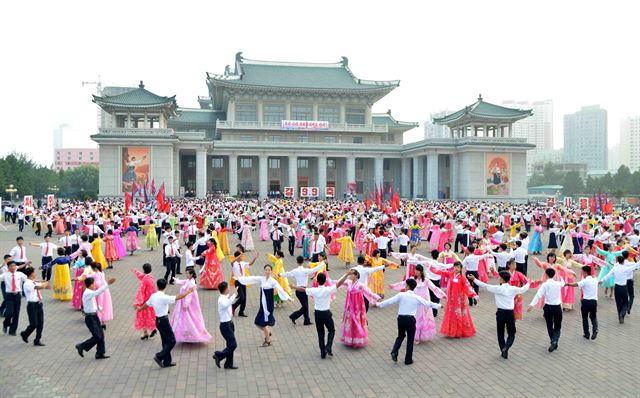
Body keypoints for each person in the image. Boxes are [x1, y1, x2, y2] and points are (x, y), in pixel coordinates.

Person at [372, 278, 441, 365]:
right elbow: (428, 303)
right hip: (410, 320)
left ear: (408, 286)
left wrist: (378, 304)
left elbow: (389, 302)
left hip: (400, 318)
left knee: (400, 336)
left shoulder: (401, 295)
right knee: (410, 339)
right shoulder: (417, 297)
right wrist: (439, 306)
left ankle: (394, 351)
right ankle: (408, 360)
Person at [468, 272, 529, 359]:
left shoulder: (497, 288)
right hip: (510, 313)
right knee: (511, 333)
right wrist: (529, 283)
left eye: (499, 277)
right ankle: (506, 347)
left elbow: (484, 285)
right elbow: (524, 289)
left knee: (500, 333)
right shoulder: (513, 289)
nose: (498, 278)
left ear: (502, 279)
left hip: (500, 313)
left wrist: (474, 279)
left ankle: (503, 350)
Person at [136, 278, 195, 368]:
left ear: (157, 286)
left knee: (165, 341)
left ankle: (167, 361)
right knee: (172, 341)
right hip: (164, 321)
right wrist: (189, 291)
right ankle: (159, 356)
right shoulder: (164, 297)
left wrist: (140, 309)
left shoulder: (153, 296)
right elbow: (178, 297)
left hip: (158, 321)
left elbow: (146, 304)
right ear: (165, 286)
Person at [236, 265, 292, 347]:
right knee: (257, 322)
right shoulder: (261, 279)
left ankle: (268, 341)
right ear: (264, 271)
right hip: (262, 304)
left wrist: (288, 298)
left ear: (271, 271)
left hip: (268, 306)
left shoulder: (273, 281)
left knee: (263, 323)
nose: (267, 271)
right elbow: (252, 278)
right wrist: (239, 279)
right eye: (266, 270)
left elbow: (280, 289)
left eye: (269, 270)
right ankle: (268, 333)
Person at [291, 272, 344, 358]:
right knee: (331, 330)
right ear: (325, 281)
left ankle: (322, 353)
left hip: (317, 314)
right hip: (326, 313)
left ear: (317, 281)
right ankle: (328, 347)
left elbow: (303, 289)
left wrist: (293, 287)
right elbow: (339, 284)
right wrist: (346, 275)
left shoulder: (314, 290)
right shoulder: (328, 289)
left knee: (320, 333)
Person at [430, 261, 477, 338]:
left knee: (459, 314)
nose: (456, 269)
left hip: (459, 300)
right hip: (451, 299)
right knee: (452, 314)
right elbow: (440, 272)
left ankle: (460, 331)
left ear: (461, 268)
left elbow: (468, 287)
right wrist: (431, 267)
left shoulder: (462, 277)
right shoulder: (450, 274)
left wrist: (474, 295)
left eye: (458, 267)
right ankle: (451, 331)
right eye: (455, 267)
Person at [75, 276, 116, 359]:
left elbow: (92, 303)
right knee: (97, 336)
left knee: (101, 335)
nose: (95, 285)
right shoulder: (88, 293)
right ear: (90, 285)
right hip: (90, 318)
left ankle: (100, 353)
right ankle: (81, 346)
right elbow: (98, 292)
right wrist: (107, 284)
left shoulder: (89, 292)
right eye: (94, 284)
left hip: (94, 316)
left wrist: (99, 308)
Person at [527, 268, 565, 352]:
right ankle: (554, 341)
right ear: (554, 275)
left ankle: (553, 340)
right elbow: (563, 283)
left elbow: (538, 295)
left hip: (548, 307)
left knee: (549, 325)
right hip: (557, 307)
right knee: (558, 326)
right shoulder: (558, 284)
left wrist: (532, 305)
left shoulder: (544, 285)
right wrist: (561, 277)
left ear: (546, 275)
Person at [171, 269, 212, 343]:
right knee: (186, 318)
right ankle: (187, 334)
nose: (186, 275)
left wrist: (186, 304)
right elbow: (183, 282)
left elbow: (189, 295)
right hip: (184, 302)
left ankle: (191, 334)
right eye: (186, 273)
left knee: (189, 318)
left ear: (191, 275)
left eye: (188, 274)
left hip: (188, 304)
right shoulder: (188, 280)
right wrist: (177, 280)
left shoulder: (191, 283)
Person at [280, 256, 320, 325]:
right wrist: (322, 263)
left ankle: (306, 320)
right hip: (303, 290)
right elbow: (315, 269)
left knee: (305, 305)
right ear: (303, 262)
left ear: (297, 262)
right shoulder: (305, 270)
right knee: (305, 307)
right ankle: (293, 316)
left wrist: (280, 274)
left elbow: (287, 274)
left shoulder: (295, 270)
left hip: (298, 290)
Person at [598, 256, 639, 324]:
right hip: (623, 288)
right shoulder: (625, 268)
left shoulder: (615, 268)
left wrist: (601, 280)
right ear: (623, 261)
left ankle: (620, 315)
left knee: (618, 303)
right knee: (625, 302)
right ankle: (622, 314)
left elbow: (608, 275)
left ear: (618, 261)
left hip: (616, 288)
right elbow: (634, 266)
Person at [565, 265, 599, 339]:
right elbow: (598, 281)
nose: (582, 274)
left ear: (585, 273)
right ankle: (595, 329)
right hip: (594, 301)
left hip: (586, 301)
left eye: (583, 272)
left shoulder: (585, 280)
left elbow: (575, 284)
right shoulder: (595, 280)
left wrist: (567, 284)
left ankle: (586, 334)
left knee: (585, 317)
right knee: (593, 317)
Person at [19, 266, 49, 346]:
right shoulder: (27, 283)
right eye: (34, 272)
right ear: (31, 274)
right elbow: (39, 287)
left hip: (39, 304)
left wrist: (46, 285)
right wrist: (45, 284)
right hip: (32, 305)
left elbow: (41, 284)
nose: (35, 274)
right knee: (33, 324)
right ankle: (25, 334)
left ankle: (37, 340)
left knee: (40, 323)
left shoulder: (33, 281)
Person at [213, 281, 238, 370]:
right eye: (228, 288)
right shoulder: (221, 300)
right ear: (224, 290)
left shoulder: (225, 297)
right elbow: (227, 303)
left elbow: (230, 300)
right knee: (233, 345)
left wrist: (235, 294)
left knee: (230, 344)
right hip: (225, 326)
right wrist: (234, 294)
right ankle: (219, 355)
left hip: (229, 323)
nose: (229, 289)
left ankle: (228, 364)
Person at [132, 264, 157, 340]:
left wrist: (137, 302)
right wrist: (136, 271)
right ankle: (153, 329)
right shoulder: (150, 277)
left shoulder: (145, 279)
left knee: (144, 317)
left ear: (144, 270)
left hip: (145, 301)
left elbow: (141, 291)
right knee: (151, 315)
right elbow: (142, 276)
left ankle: (146, 333)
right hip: (151, 300)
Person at [3, 261, 28, 335]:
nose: (13, 267)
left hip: (17, 295)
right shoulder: (5, 275)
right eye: (11, 266)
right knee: (10, 313)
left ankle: (12, 330)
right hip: (9, 295)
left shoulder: (19, 274)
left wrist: (42, 283)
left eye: (14, 266)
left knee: (16, 313)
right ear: (8, 267)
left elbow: (28, 279)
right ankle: (5, 323)